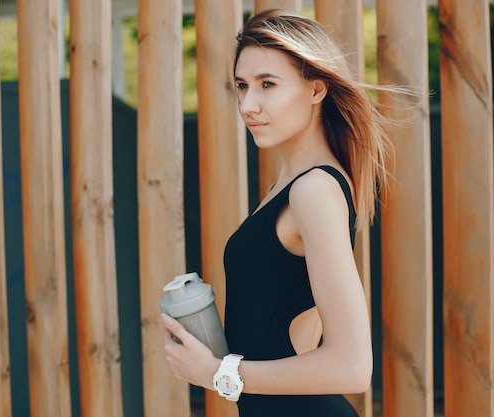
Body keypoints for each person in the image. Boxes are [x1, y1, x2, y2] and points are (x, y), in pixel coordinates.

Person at [162, 8, 399, 417]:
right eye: (242, 86)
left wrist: (219, 373)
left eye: (267, 84)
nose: (248, 104)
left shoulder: (314, 190)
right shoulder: (288, 189)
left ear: (316, 90)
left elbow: (353, 367)